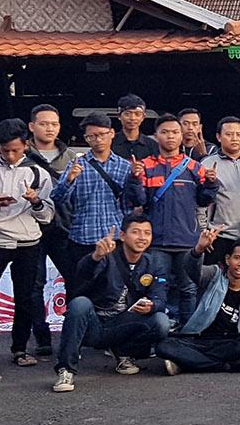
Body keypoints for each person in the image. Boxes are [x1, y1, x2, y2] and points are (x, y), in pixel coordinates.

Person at [53, 214, 171, 392]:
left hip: (122, 324)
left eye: (147, 233)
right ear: (122, 236)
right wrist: (95, 257)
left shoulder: (153, 263)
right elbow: (81, 276)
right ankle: (66, 370)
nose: (142, 237)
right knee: (80, 304)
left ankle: (124, 354)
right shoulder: (106, 255)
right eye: (136, 232)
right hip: (94, 324)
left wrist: (152, 305)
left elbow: (160, 298)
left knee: (161, 321)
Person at [0, 118, 56, 368]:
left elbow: (47, 216)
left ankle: (20, 349)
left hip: (27, 242)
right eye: (5, 151)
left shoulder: (38, 173)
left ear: (26, 145)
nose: (10, 156)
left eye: (15, 150)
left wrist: (36, 201)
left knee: (25, 298)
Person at [125, 113, 217, 322]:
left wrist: (211, 184)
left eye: (175, 132)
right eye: (165, 132)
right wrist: (135, 179)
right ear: (156, 136)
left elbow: (204, 201)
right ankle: (158, 330)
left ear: (181, 135)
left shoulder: (194, 167)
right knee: (156, 289)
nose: (170, 136)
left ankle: (188, 333)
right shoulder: (145, 166)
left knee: (188, 289)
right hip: (157, 241)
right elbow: (138, 200)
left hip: (187, 241)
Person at [156, 238, 240, 374]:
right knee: (163, 346)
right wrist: (198, 250)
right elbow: (192, 270)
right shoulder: (214, 274)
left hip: (228, 342)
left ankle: (186, 363)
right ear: (228, 259)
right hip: (198, 339)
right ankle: (227, 366)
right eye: (237, 258)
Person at [52, 113, 134, 267]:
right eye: (92, 136)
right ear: (86, 138)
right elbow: (57, 199)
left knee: (114, 281)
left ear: (111, 133)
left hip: (115, 238)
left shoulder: (125, 166)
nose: (98, 140)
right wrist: (69, 180)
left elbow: (129, 205)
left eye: (102, 134)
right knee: (83, 280)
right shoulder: (76, 164)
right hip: (82, 237)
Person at [23, 104, 76, 340]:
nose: (50, 128)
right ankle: (41, 336)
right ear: (32, 126)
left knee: (74, 279)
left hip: (64, 229)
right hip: (31, 229)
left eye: (54, 124)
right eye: (44, 124)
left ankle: (71, 334)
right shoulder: (22, 156)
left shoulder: (71, 157)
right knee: (34, 285)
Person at [199, 116, 240, 265]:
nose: (235, 138)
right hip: (218, 234)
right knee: (213, 275)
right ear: (218, 137)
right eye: (229, 134)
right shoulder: (207, 164)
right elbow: (199, 204)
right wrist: (203, 231)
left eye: (239, 134)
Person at [111, 93, 160, 161]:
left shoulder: (153, 145)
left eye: (137, 114)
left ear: (143, 117)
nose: (132, 118)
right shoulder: (109, 142)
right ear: (119, 116)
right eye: (127, 114)